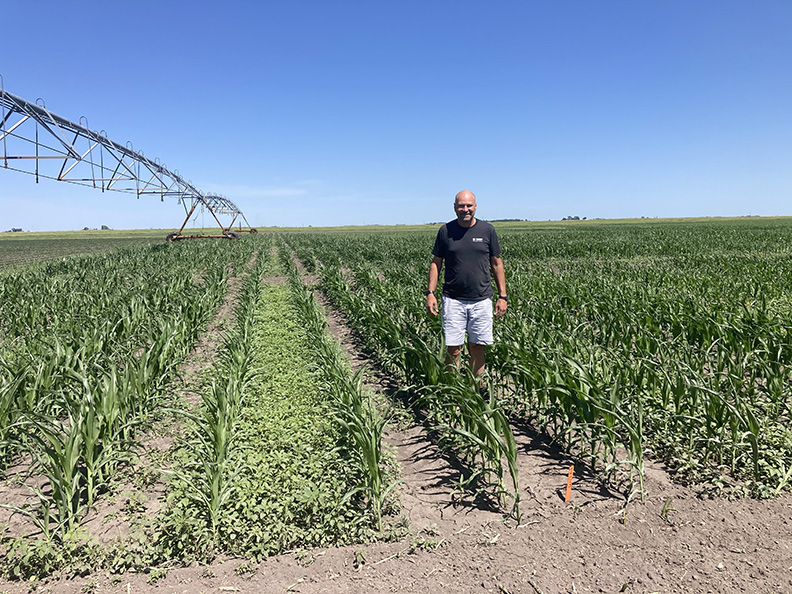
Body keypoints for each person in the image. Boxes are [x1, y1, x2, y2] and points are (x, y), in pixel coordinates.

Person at [425, 190, 507, 379]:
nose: (465, 209)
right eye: (461, 206)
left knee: (477, 348)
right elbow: (436, 263)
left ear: (475, 206)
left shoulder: (487, 230)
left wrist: (503, 296)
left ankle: (474, 391)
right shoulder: (446, 230)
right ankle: (454, 391)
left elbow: (497, 263)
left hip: (481, 300)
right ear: (454, 208)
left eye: (469, 205)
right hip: (453, 300)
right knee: (453, 349)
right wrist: (430, 292)